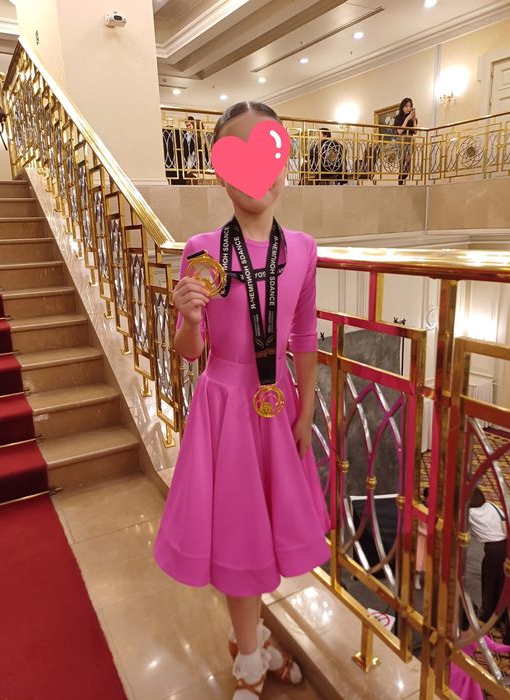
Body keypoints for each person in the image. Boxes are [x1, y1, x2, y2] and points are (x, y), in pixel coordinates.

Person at [154, 100, 330, 699]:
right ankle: (251, 663)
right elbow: (189, 351)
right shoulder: (203, 248)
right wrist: (187, 320)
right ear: (221, 171)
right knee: (237, 533)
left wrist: (307, 407)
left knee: (263, 532)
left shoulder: (302, 248)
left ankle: (246, 641)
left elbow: (304, 335)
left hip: (278, 405)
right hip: (225, 404)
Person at [469, 488, 509, 643]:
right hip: (506, 545)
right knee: (502, 584)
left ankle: (489, 615)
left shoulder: (470, 513)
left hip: (493, 551)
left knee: (489, 583)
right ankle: (501, 617)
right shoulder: (491, 505)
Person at [449, 604, 510, 700]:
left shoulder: (450, 630)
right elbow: (497, 648)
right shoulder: (477, 636)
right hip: (464, 667)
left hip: (450, 662)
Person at [394, 98, 418, 185]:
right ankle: (400, 183)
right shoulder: (398, 118)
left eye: (410, 106)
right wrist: (407, 119)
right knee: (402, 162)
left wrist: (414, 120)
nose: (408, 108)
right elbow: (399, 131)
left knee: (408, 164)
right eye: (406, 106)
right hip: (402, 141)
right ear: (402, 107)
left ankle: (401, 181)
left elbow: (415, 131)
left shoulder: (412, 118)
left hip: (410, 141)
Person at [415, 486, 429, 590]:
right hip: (421, 539)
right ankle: (416, 578)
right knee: (419, 560)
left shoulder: (436, 509)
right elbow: (416, 525)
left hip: (431, 539)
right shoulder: (420, 508)